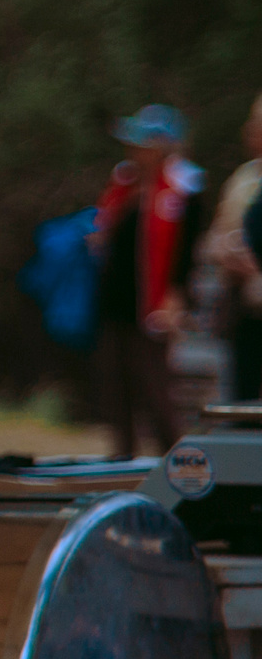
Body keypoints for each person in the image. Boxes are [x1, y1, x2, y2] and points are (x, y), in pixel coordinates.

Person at [92, 104, 206, 455]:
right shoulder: (125, 182)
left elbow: (187, 250)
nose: (133, 149)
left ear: (161, 146)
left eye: (141, 143)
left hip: (155, 303)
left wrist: (176, 296)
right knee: (117, 386)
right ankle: (122, 459)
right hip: (118, 300)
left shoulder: (183, 187)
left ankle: (177, 462)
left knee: (156, 388)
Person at [203, 91, 262, 402]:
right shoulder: (244, 179)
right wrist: (227, 254)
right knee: (243, 391)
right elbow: (216, 235)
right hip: (245, 305)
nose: (250, 132)